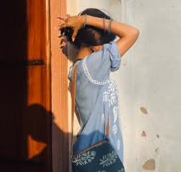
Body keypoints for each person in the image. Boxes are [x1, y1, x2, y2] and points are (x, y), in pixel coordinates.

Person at [58, 8, 139, 164]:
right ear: (96, 43)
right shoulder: (92, 66)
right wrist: (85, 20)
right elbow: (132, 33)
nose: (109, 46)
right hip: (103, 155)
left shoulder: (77, 69)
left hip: (96, 151)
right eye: (107, 41)